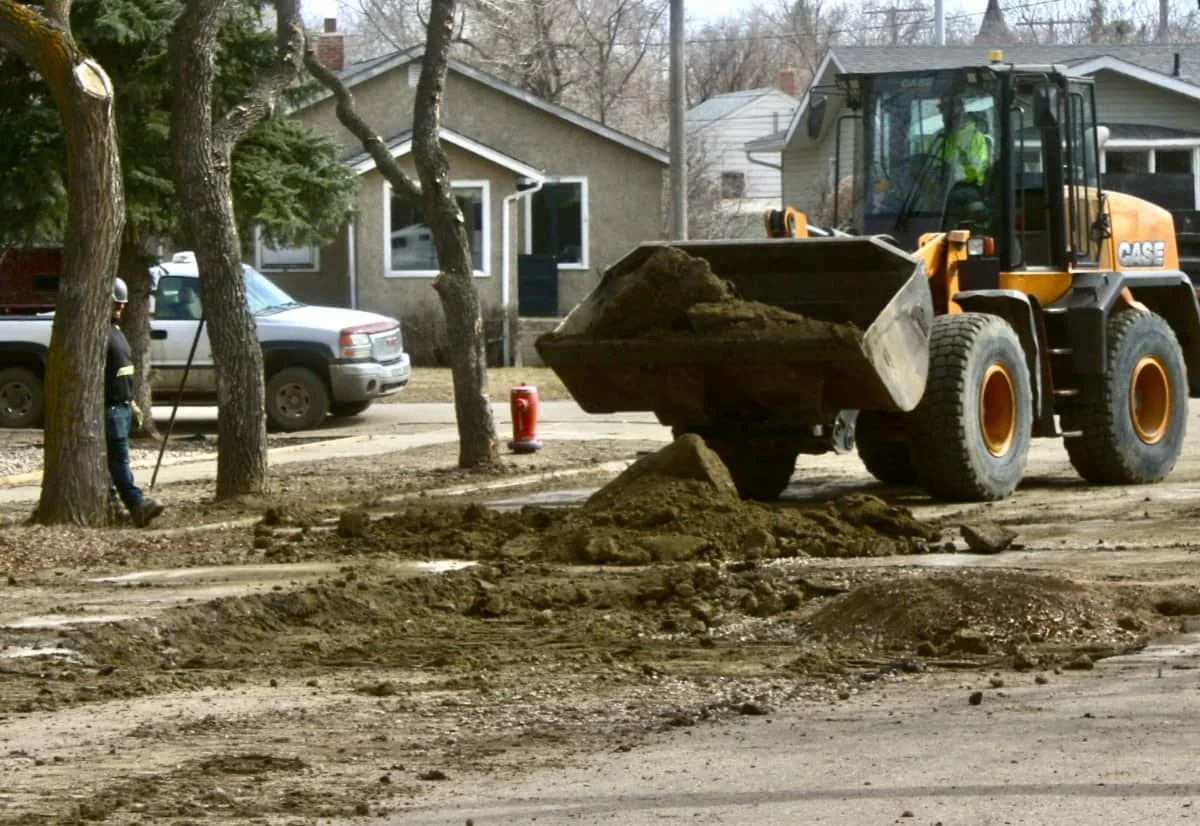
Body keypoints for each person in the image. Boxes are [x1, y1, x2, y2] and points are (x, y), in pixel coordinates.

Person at [107, 277, 165, 528]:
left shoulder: (116, 332)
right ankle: (136, 505)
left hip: (121, 406)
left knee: (115, 461)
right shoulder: (98, 334)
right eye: (115, 304)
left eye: (122, 305)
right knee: (118, 461)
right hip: (106, 409)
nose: (119, 309)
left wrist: (131, 401)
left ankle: (115, 505)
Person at [933, 94, 990, 187]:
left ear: (960, 111)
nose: (944, 114)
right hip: (941, 191)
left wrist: (954, 175)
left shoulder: (975, 137)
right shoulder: (939, 138)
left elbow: (978, 172)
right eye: (942, 110)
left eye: (948, 109)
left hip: (968, 189)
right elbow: (929, 165)